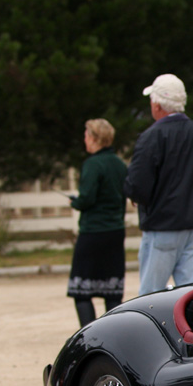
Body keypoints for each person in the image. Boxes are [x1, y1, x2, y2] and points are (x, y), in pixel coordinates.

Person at [124, 73, 193, 295]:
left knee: (150, 295)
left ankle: (149, 330)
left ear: (157, 104)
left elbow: (138, 185)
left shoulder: (152, 137)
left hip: (162, 226)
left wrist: (137, 196)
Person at [67, 118, 128, 327]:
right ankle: (112, 334)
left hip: (93, 232)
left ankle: (89, 335)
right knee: (112, 293)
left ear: (94, 138)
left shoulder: (92, 164)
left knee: (81, 291)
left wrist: (76, 202)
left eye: (86, 135)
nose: (84, 139)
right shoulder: (120, 165)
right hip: (115, 231)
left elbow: (88, 198)